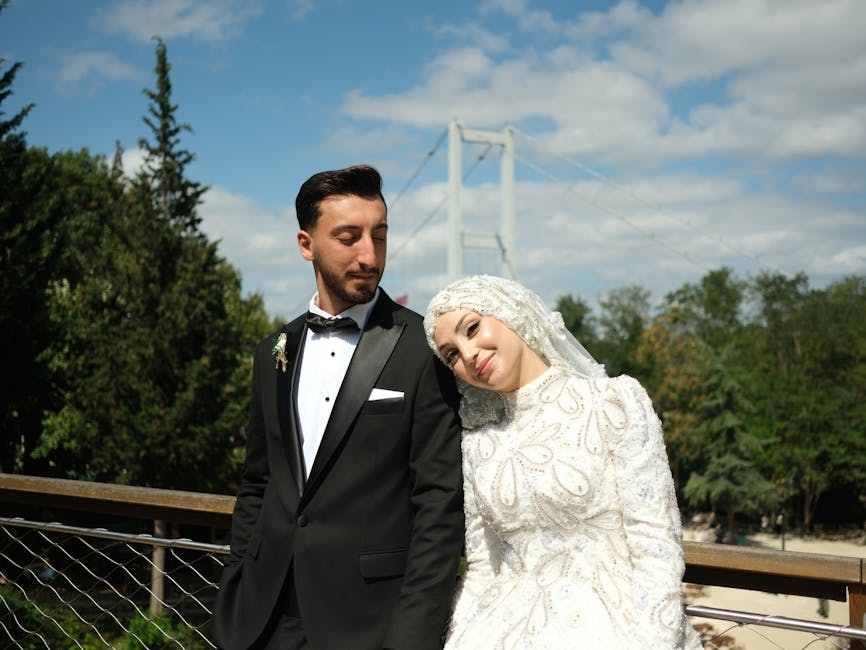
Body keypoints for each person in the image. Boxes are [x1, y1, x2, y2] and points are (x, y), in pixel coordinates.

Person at [213, 164, 464, 650]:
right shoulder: (273, 350)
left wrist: (411, 637)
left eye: (380, 236)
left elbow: (439, 504)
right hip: (261, 619)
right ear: (306, 244)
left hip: (367, 625)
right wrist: (237, 579)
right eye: (349, 237)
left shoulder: (423, 349)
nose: (370, 255)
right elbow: (259, 481)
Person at [423, 274, 702, 649]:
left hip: (616, 631)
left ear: (511, 311)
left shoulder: (614, 403)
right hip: (498, 632)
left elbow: (656, 547)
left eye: (471, 328)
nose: (468, 354)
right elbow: (483, 569)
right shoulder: (478, 444)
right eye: (452, 354)